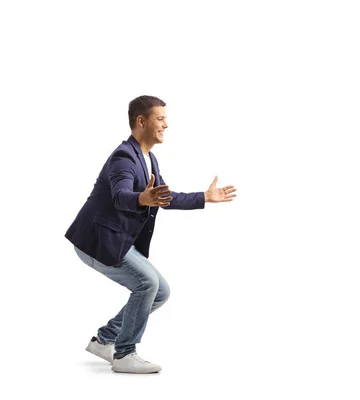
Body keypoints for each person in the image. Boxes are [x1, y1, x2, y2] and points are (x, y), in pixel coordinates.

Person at [65, 95, 237, 374]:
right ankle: (124, 354)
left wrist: (205, 197)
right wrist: (141, 199)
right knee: (147, 284)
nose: (166, 125)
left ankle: (104, 340)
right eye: (160, 118)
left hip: (118, 239)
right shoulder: (124, 158)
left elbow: (165, 198)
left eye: (166, 119)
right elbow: (121, 196)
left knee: (160, 291)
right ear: (141, 121)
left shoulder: (148, 159)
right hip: (97, 241)